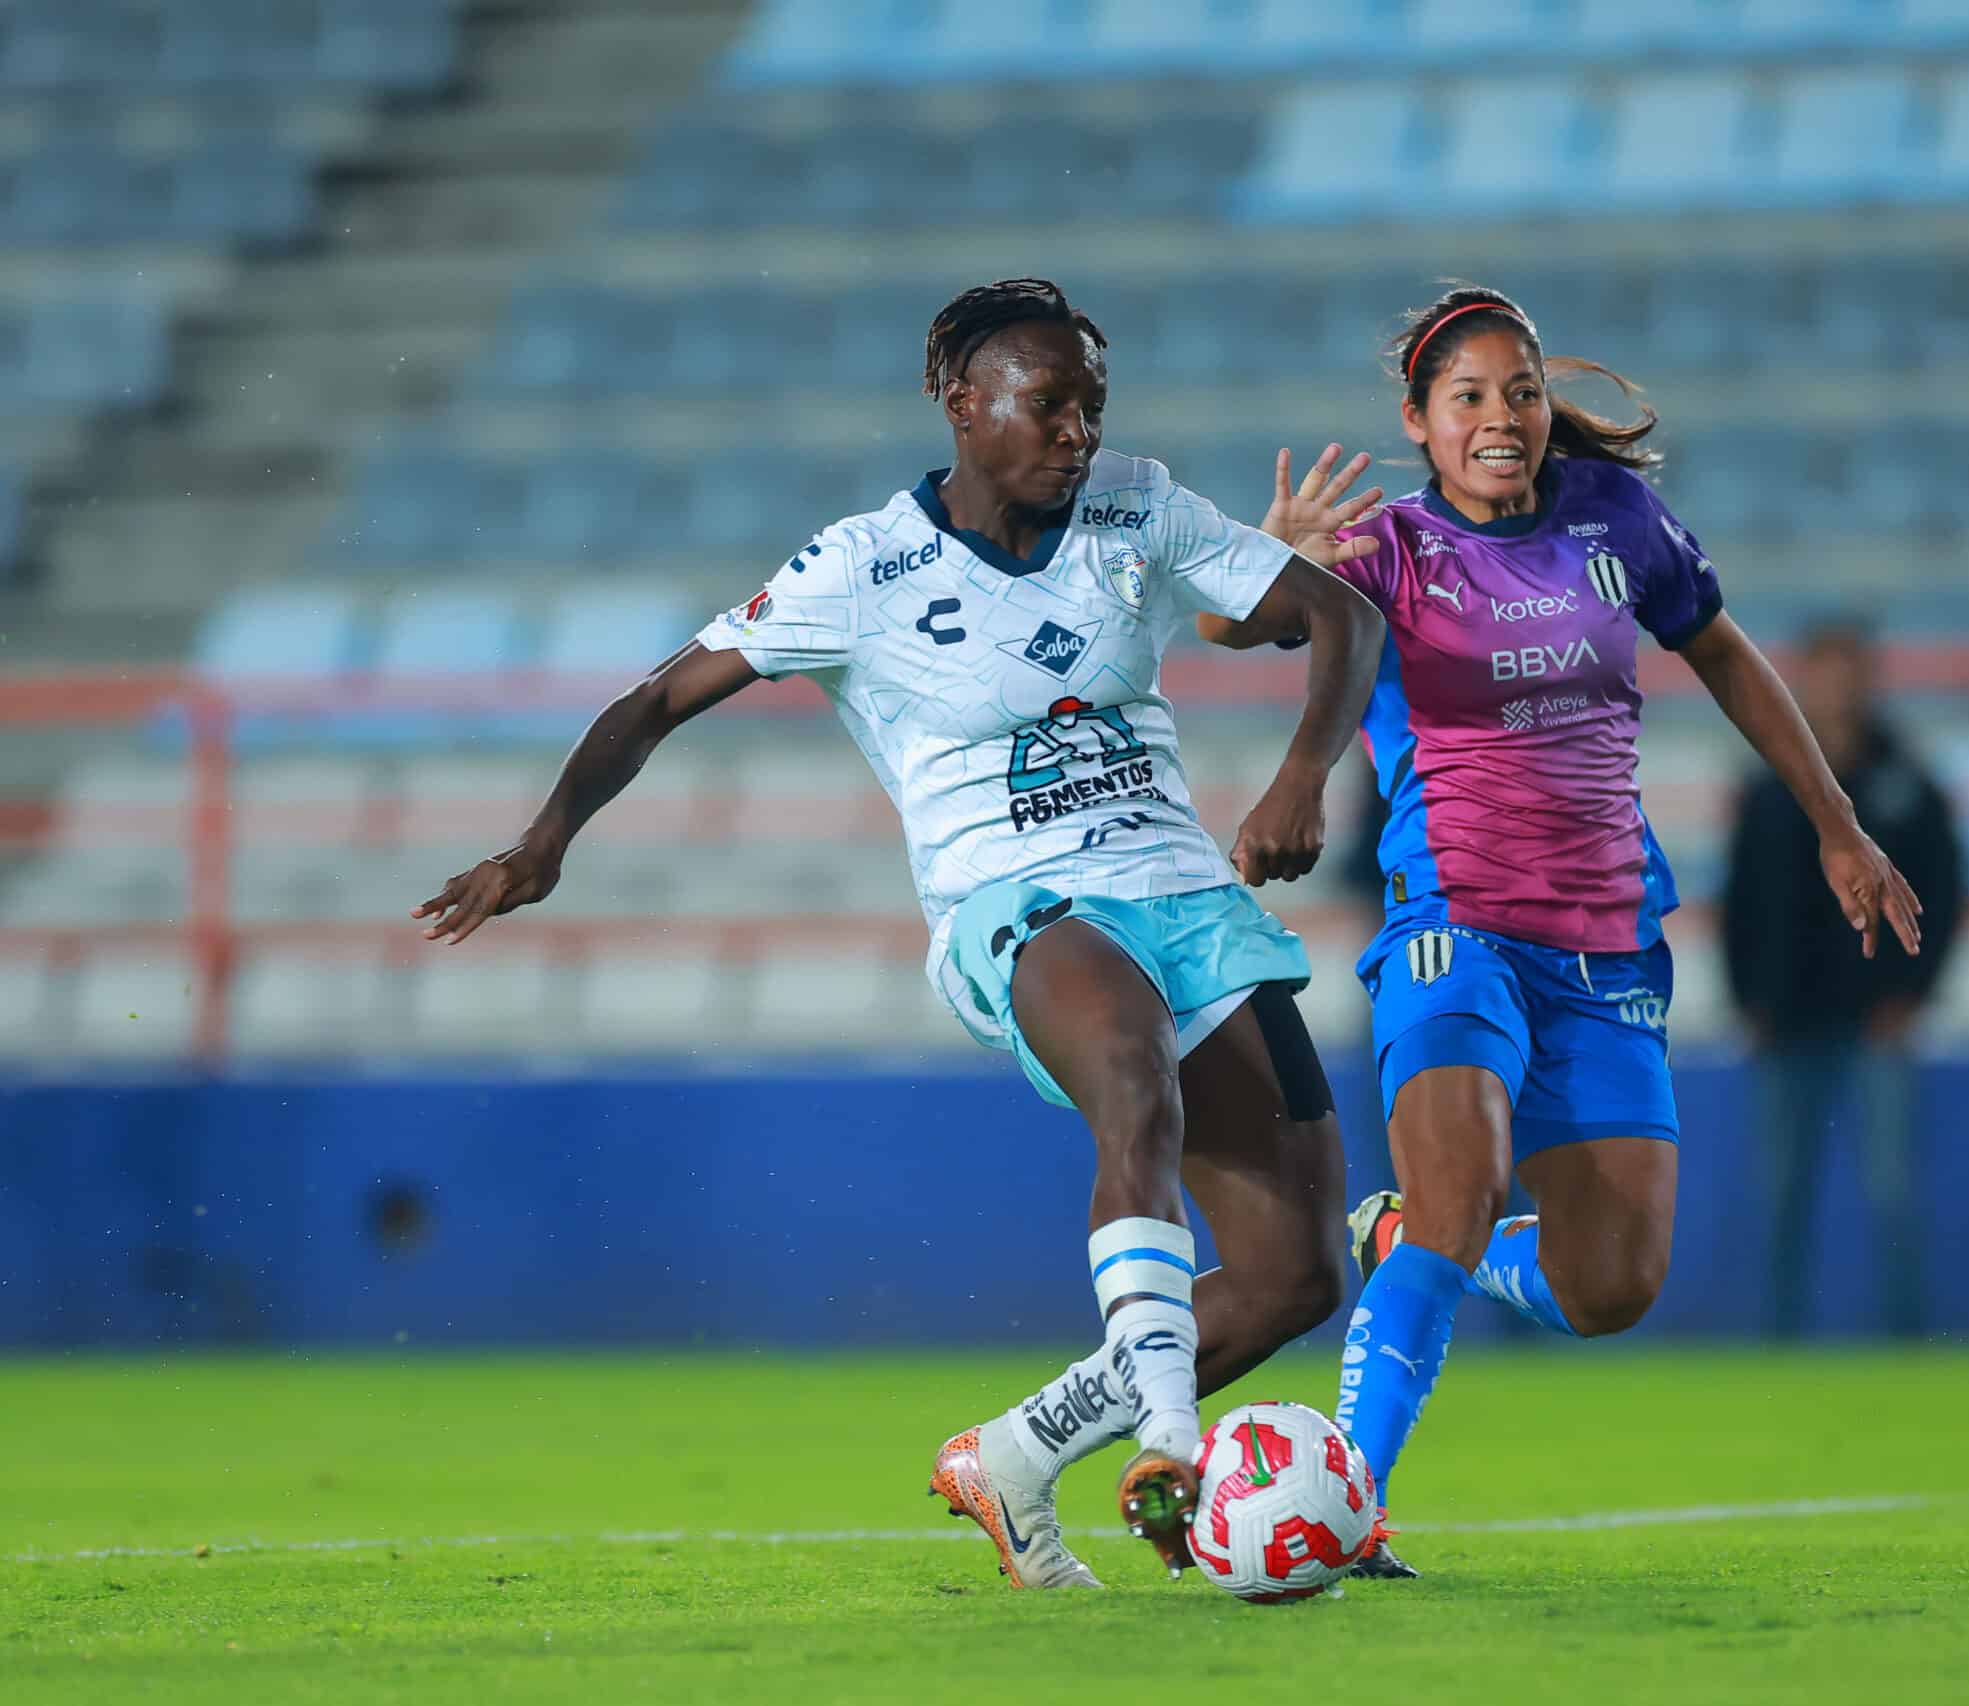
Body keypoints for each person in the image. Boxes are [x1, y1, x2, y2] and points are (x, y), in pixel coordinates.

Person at [410, 279, 1389, 1588]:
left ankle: (1017, 1452)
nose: (1078, 434)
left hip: (1182, 889)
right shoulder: (861, 568)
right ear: (959, 401)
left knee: (1295, 1272)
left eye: (1092, 406)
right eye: (1049, 406)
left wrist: (1298, 779)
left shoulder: (1137, 504)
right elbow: (657, 698)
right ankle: (1171, 1438)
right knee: (1129, 1068)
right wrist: (545, 840)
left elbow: (1341, 614)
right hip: (1013, 899)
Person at [1199, 284, 1924, 1578]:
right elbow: (1232, 619)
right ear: (1419, 421)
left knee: (1612, 1287)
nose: (1501, 417)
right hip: (1452, 922)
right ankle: (1351, 1500)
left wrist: (1836, 824)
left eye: (1520, 392)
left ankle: (1401, 1238)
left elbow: (1728, 655)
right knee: (1461, 1194)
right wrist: (1276, 544)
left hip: (1604, 943)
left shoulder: (1617, 521)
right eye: (1468, 396)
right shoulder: (1388, 550)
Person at [1722, 615, 1966, 1341]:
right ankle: (1781, 1342)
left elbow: (1946, 894)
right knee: (1780, 1194)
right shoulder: (1768, 784)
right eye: (1824, 671)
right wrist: (1749, 999)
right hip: (1787, 1020)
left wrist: (1913, 993)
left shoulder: (1907, 783)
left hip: (1874, 1016)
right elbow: (1739, 902)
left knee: (1891, 1190)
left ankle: (1905, 1339)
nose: (1836, 687)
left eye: (1848, 670)